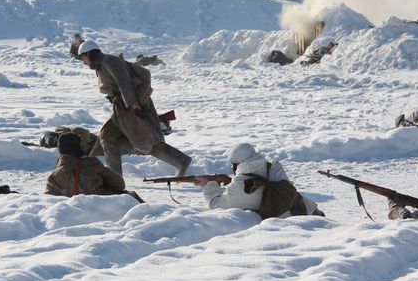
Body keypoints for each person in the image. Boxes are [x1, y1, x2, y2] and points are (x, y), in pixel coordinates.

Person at [74, 38, 191, 177]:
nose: (83, 62)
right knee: (115, 139)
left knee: (144, 141)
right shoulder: (101, 67)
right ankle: (115, 177)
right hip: (123, 109)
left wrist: (133, 104)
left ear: (90, 54)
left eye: (83, 57)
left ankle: (181, 161)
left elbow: (124, 82)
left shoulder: (110, 61)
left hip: (132, 107)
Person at [196, 143, 322, 219]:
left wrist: (208, 185)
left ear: (236, 164)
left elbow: (216, 205)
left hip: (295, 226)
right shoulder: (273, 167)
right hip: (309, 211)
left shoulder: (241, 186)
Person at [45, 132, 127, 197]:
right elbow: (119, 185)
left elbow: (49, 197)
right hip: (97, 205)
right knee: (129, 195)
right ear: (79, 146)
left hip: (69, 212)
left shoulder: (54, 175)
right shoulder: (91, 163)